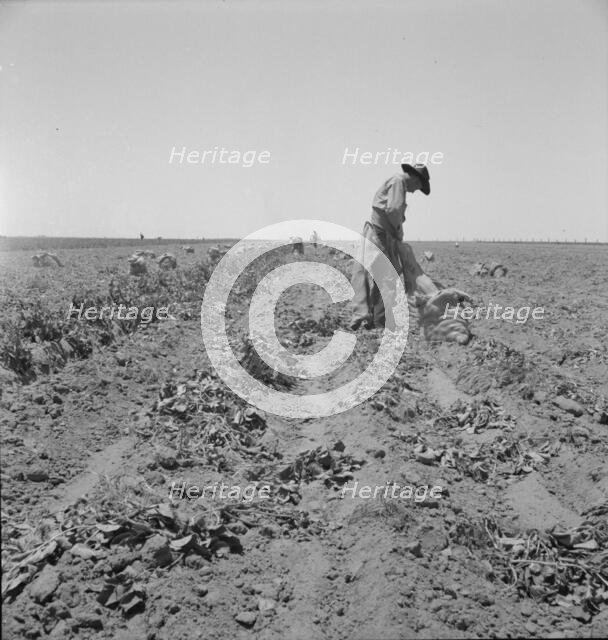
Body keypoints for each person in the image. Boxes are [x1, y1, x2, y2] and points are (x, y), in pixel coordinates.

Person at [350, 163, 470, 339]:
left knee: (374, 278)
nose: (415, 191)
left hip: (379, 235)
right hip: (381, 236)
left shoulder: (397, 183)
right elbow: (393, 211)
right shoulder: (398, 182)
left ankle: (370, 319)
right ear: (414, 177)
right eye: (418, 187)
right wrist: (398, 236)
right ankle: (379, 323)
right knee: (386, 280)